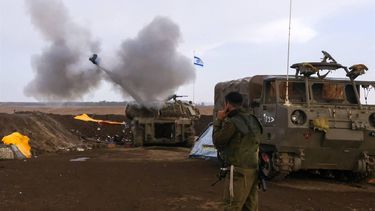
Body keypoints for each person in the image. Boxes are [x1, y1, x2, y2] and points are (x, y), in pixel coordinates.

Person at [212, 91, 263, 211]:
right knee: (250, 206)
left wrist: (218, 120)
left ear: (227, 105)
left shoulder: (233, 122)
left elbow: (217, 141)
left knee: (231, 205)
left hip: (239, 169)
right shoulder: (253, 119)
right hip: (254, 168)